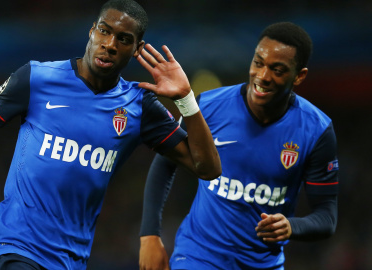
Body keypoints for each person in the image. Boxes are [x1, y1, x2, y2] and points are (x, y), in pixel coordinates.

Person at [0, 0, 221, 269]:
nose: (110, 45)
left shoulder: (139, 106)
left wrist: (186, 100)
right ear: (92, 31)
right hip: (17, 247)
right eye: (105, 31)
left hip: (71, 260)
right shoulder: (38, 78)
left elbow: (207, 168)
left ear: (136, 49)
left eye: (123, 39)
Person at [139, 22, 339, 270]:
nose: (263, 76)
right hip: (199, 256)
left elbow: (327, 217)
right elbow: (165, 163)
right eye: (258, 63)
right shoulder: (209, 107)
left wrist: (291, 226)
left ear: (299, 75)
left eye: (277, 70)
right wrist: (149, 235)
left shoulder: (316, 129)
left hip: (264, 264)